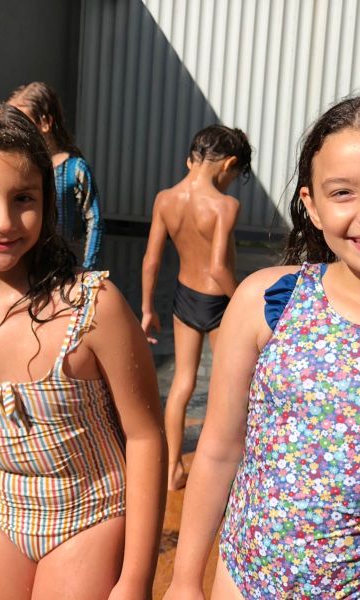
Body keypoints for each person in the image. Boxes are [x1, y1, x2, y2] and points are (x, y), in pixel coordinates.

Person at [165, 95, 360, 599]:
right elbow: (220, 450)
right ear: (312, 206)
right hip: (242, 584)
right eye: (343, 192)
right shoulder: (267, 301)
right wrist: (184, 580)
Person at [0, 104, 165, 599]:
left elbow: (145, 436)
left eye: (23, 198)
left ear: (47, 202)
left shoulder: (93, 308)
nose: (3, 221)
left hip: (91, 514)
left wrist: (135, 580)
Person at [141, 124, 251, 491]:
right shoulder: (225, 205)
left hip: (185, 297)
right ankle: (218, 468)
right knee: (226, 384)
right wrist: (243, 301)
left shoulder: (165, 199)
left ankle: (173, 469)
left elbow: (151, 261)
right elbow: (219, 268)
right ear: (229, 164)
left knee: (182, 382)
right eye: (234, 175)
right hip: (218, 300)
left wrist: (147, 309)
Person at [8, 81, 103, 269]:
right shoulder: (20, 167)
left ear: (45, 123)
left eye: (23, 123)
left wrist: (87, 268)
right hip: (25, 265)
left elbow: (95, 220)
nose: (15, 130)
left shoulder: (75, 169)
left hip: (64, 266)